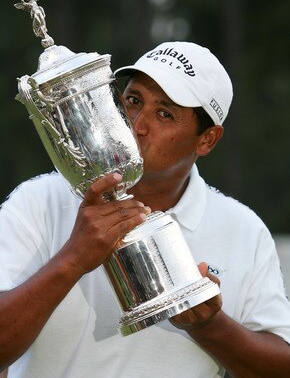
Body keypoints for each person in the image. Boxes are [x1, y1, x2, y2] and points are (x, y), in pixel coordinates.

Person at [0, 41, 290, 378]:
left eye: (164, 113)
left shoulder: (243, 230)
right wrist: (73, 259)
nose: (136, 124)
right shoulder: (40, 200)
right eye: (133, 100)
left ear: (207, 139)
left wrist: (209, 326)